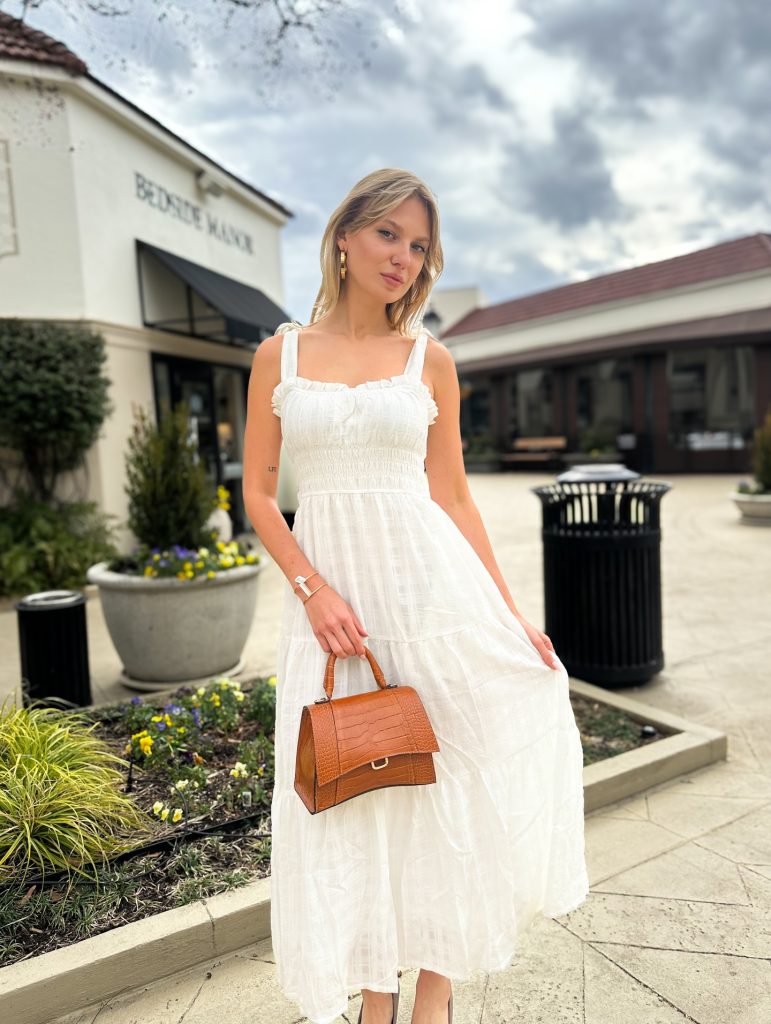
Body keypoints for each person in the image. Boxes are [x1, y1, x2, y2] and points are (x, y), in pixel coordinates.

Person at [242, 168, 589, 1024]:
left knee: (448, 782)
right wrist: (311, 588)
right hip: (332, 616)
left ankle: (429, 986)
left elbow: (455, 495)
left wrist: (510, 617)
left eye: (420, 245)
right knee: (350, 790)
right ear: (345, 237)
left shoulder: (429, 358)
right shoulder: (277, 355)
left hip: (429, 598)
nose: (404, 257)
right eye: (389, 234)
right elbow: (254, 491)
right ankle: (372, 990)